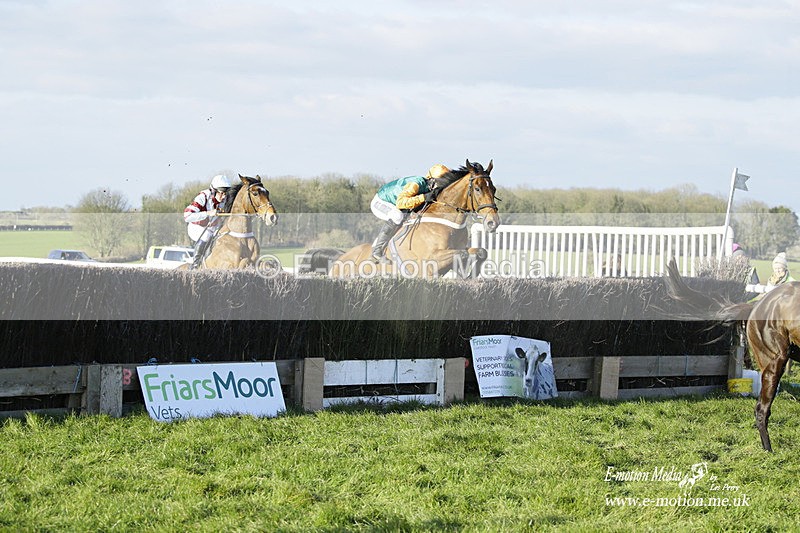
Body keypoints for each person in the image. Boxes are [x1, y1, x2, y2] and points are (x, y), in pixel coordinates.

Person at [368, 164, 450, 264]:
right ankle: (377, 253)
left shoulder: (429, 187)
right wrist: (423, 198)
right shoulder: (416, 184)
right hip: (381, 202)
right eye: (441, 182)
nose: (442, 186)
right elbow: (401, 203)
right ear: (432, 180)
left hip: (396, 204)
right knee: (397, 216)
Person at [183, 174, 234, 268]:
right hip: (197, 227)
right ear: (213, 191)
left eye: (226, 193)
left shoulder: (225, 199)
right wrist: (207, 213)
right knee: (207, 235)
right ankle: (195, 265)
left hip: (213, 227)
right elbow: (187, 216)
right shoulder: (203, 197)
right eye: (221, 193)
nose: (223, 196)